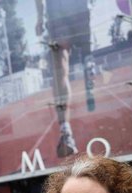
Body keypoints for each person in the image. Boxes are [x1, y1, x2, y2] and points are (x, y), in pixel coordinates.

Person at [35, 0, 93, 158]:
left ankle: (89, 63)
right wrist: (40, 16)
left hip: (74, 9)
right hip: (62, 11)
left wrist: (40, 17)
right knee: (60, 67)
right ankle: (65, 130)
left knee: (70, 63)